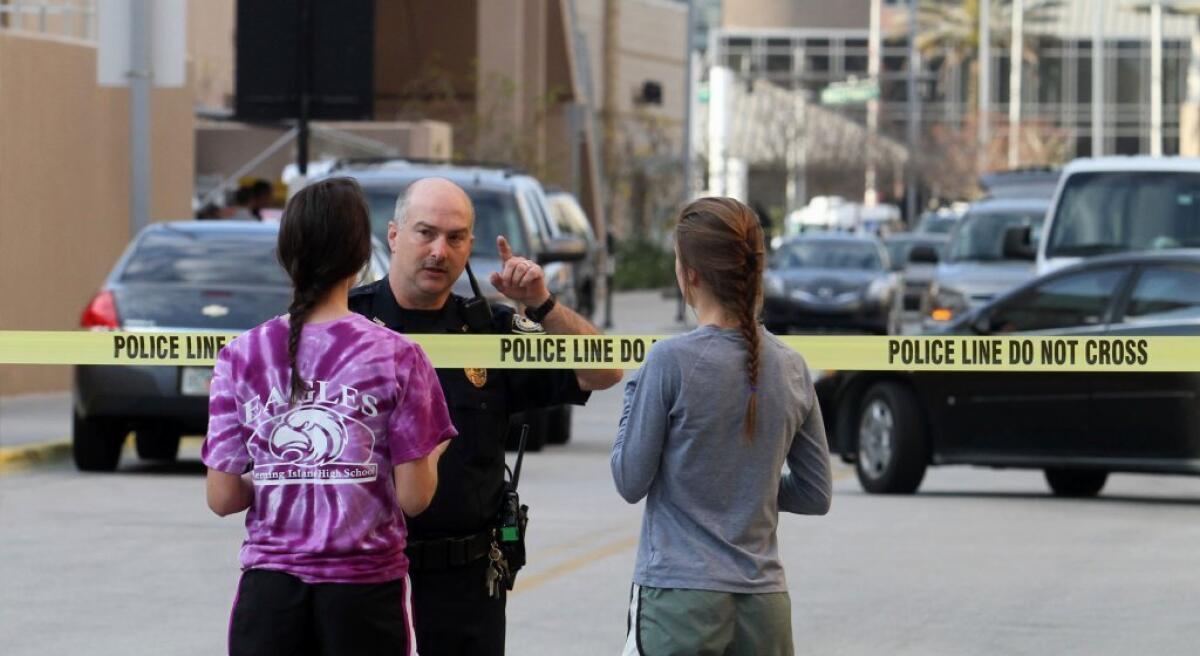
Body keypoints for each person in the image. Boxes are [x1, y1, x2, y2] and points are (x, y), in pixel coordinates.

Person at [349, 177, 623, 655]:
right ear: (393, 235)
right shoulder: (348, 322)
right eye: (425, 233)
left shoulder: (489, 331)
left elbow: (602, 370)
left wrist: (542, 304)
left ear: (470, 244)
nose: (439, 250)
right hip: (360, 572)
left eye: (455, 238)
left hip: (464, 578)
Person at [202, 177, 457, 656]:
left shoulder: (239, 355)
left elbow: (222, 496)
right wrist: (435, 451)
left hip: (269, 600)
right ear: (362, 258)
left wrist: (287, 477)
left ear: (286, 255)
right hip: (363, 599)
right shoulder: (398, 356)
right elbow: (415, 498)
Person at [612, 197, 832, 656]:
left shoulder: (669, 361)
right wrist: (751, 487)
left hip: (680, 601)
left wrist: (634, 392)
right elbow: (815, 494)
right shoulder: (792, 367)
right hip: (765, 604)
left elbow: (630, 479)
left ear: (689, 274)